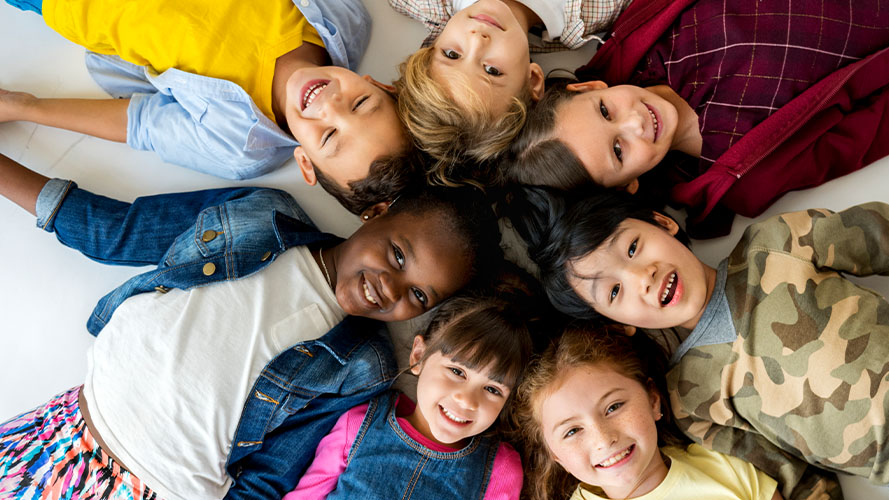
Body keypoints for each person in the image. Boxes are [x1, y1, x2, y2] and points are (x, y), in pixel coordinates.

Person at [0, 151, 502, 500]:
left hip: (157, 486)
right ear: (376, 212)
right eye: (398, 253)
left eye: (419, 294)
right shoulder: (260, 214)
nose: (391, 287)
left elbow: (270, 475)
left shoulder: (362, 364)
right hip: (61, 428)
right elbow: (119, 230)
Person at [508, 187, 889, 500]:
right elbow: (792, 477)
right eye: (613, 291)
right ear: (617, 324)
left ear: (663, 223)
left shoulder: (778, 243)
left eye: (633, 247)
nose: (641, 276)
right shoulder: (690, 396)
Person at [504, 1, 889, 236]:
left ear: (593, 88)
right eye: (619, 151)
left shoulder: (645, 34)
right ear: (628, 186)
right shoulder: (741, 170)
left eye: (606, 111)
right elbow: (883, 123)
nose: (634, 123)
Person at [0, 0, 419, 214]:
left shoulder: (239, 146)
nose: (331, 105)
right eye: (362, 104)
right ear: (377, 84)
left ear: (305, 164)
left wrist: (25, 107)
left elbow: (140, 123)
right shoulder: (345, 20)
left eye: (329, 136)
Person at [284, 287, 540, 499]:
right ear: (419, 357)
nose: (466, 399)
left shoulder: (500, 468)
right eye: (457, 372)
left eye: (492, 389)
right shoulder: (360, 423)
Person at [514, 323, 812, 500]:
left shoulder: (725, 465)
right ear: (555, 455)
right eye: (572, 431)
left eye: (614, 407)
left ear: (653, 400)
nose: (603, 439)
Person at [391, 0, 626, 180]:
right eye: (492, 70)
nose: (477, 39)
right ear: (532, 80)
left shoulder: (427, 4)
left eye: (451, 54)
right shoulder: (594, 10)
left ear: (433, 45)